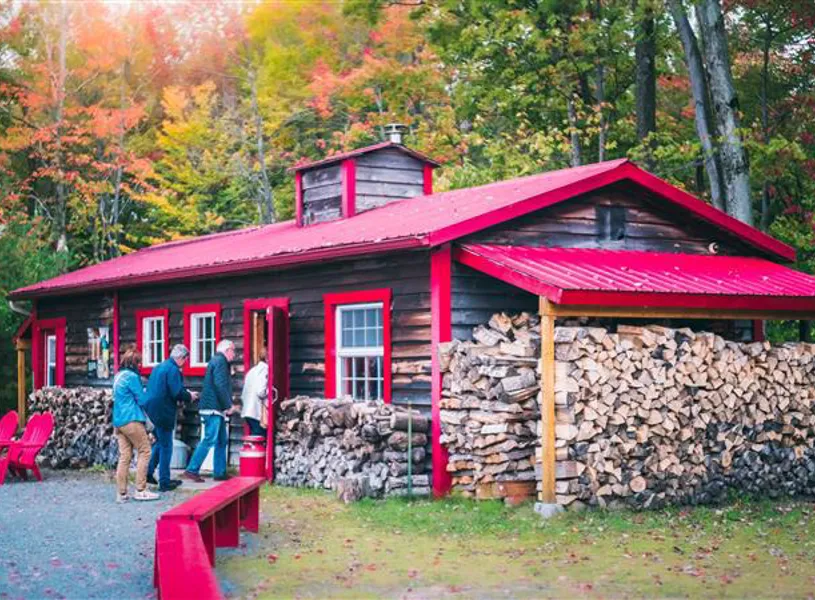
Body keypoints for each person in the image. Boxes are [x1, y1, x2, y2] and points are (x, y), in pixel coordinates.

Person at [183, 339, 236, 482]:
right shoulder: (220, 362)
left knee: (221, 441)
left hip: (214, 408)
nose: (234, 354)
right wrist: (228, 405)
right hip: (213, 408)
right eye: (233, 350)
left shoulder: (218, 361)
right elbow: (220, 386)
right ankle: (192, 469)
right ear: (226, 350)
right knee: (209, 439)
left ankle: (219, 473)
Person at [112, 347, 159, 503]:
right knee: (145, 451)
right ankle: (141, 489)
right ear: (135, 363)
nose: (140, 366)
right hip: (131, 419)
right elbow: (142, 400)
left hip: (118, 421)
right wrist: (150, 394)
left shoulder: (118, 376)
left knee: (125, 457)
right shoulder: (132, 377)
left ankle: (122, 493)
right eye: (139, 363)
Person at [145, 344, 193, 492]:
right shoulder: (173, 370)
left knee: (160, 443)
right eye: (185, 360)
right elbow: (177, 392)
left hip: (152, 409)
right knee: (167, 446)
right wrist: (189, 395)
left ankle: (148, 472)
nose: (185, 363)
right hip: (163, 410)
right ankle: (164, 482)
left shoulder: (159, 366)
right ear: (181, 358)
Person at [241, 347, 268, 437]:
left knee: (255, 438)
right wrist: (270, 392)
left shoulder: (252, 370)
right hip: (256, 412)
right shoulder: (265, 370)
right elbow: (260, 392)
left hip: (248, 411)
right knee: (261, 439)